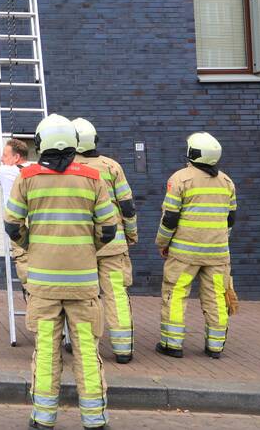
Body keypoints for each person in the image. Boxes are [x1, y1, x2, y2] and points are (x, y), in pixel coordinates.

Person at [5, 114, 115, 430]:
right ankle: (95, 420)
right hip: (83, 285)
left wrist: (34, 245)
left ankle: (43, 419)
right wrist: (84, 250)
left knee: (47, 352)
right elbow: (108, 230)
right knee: (86, 352)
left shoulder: (27, 177)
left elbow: (12, 225)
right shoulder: (93, 178)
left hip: (42, 284)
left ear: (41, 143)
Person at [155, 132, 237, 359]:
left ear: (191, 153)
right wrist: (220, 240)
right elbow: (230, 219)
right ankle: (215, 347)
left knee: (176, 294)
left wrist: (162, 242)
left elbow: (170, 218)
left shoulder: (180, 179)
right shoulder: (227, 182)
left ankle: (172, 345)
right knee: (217, 297)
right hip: (218, 254)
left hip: (184, 254)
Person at [72, 118, 137, 364]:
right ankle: (123, 349)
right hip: (113, 244)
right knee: (116, 296)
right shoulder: (111, 167)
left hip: (81, 247)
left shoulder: (67, 168)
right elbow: (127, 206)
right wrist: (131, 234)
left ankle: (85, 347)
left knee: (83, 298)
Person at [0, 138, 31, 290]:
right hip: (40, 223)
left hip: (19, 225)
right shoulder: (36, 168)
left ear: (16, 158)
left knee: (24, 264)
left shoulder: (3, 171)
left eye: (5, 155)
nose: (2, 159)